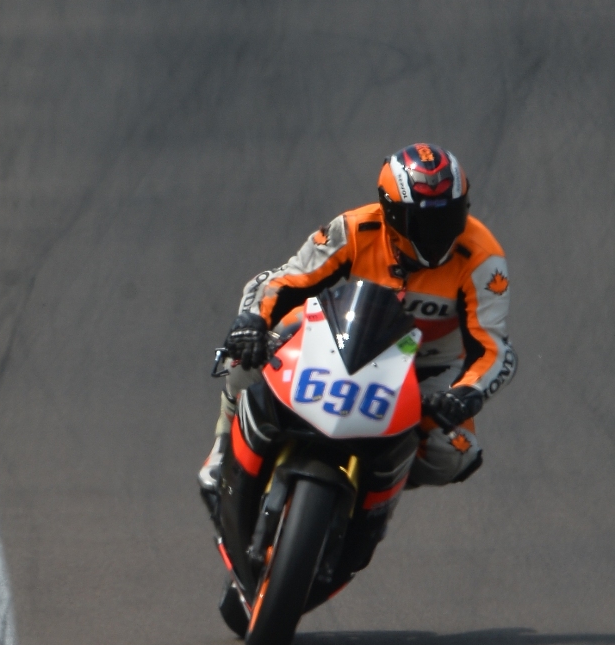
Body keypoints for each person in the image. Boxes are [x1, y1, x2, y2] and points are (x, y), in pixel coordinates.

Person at [199, 143, 517, 495]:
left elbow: (494, 348)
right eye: (423, 221)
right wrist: (252, 321)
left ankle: (376, 484)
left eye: (449, 217)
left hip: (426, 369)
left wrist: (466, 393)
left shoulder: (483, 258)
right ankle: (224, 443)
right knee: (245, 349)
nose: (438, 232)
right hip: (343, 341)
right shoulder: (354, 228)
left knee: (455, 454)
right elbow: (284, 281)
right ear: (391, 213)